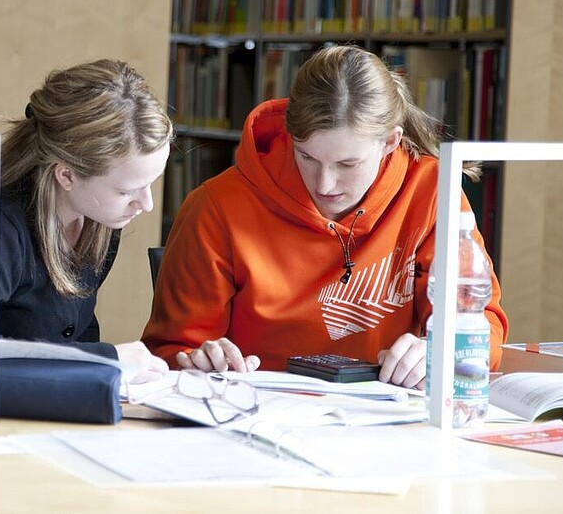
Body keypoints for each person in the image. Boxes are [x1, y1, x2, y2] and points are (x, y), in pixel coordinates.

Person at [141, 45, 509, 389]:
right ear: (290, 135)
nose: (324, 184)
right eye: (307, 157)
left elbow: (484, 327)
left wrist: (439, 353)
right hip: (257, 421)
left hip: (389, 425)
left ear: (390, 142)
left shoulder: (433, 192)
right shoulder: (216, 206)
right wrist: (195, 360)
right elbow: (166, 353)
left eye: (347, 164)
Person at [0, 59, 173, 385]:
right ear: (66, 175)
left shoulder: (99, 224)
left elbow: (77, 334)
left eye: (150, 184)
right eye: (126, 191)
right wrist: (105, 361)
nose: (146, 204)